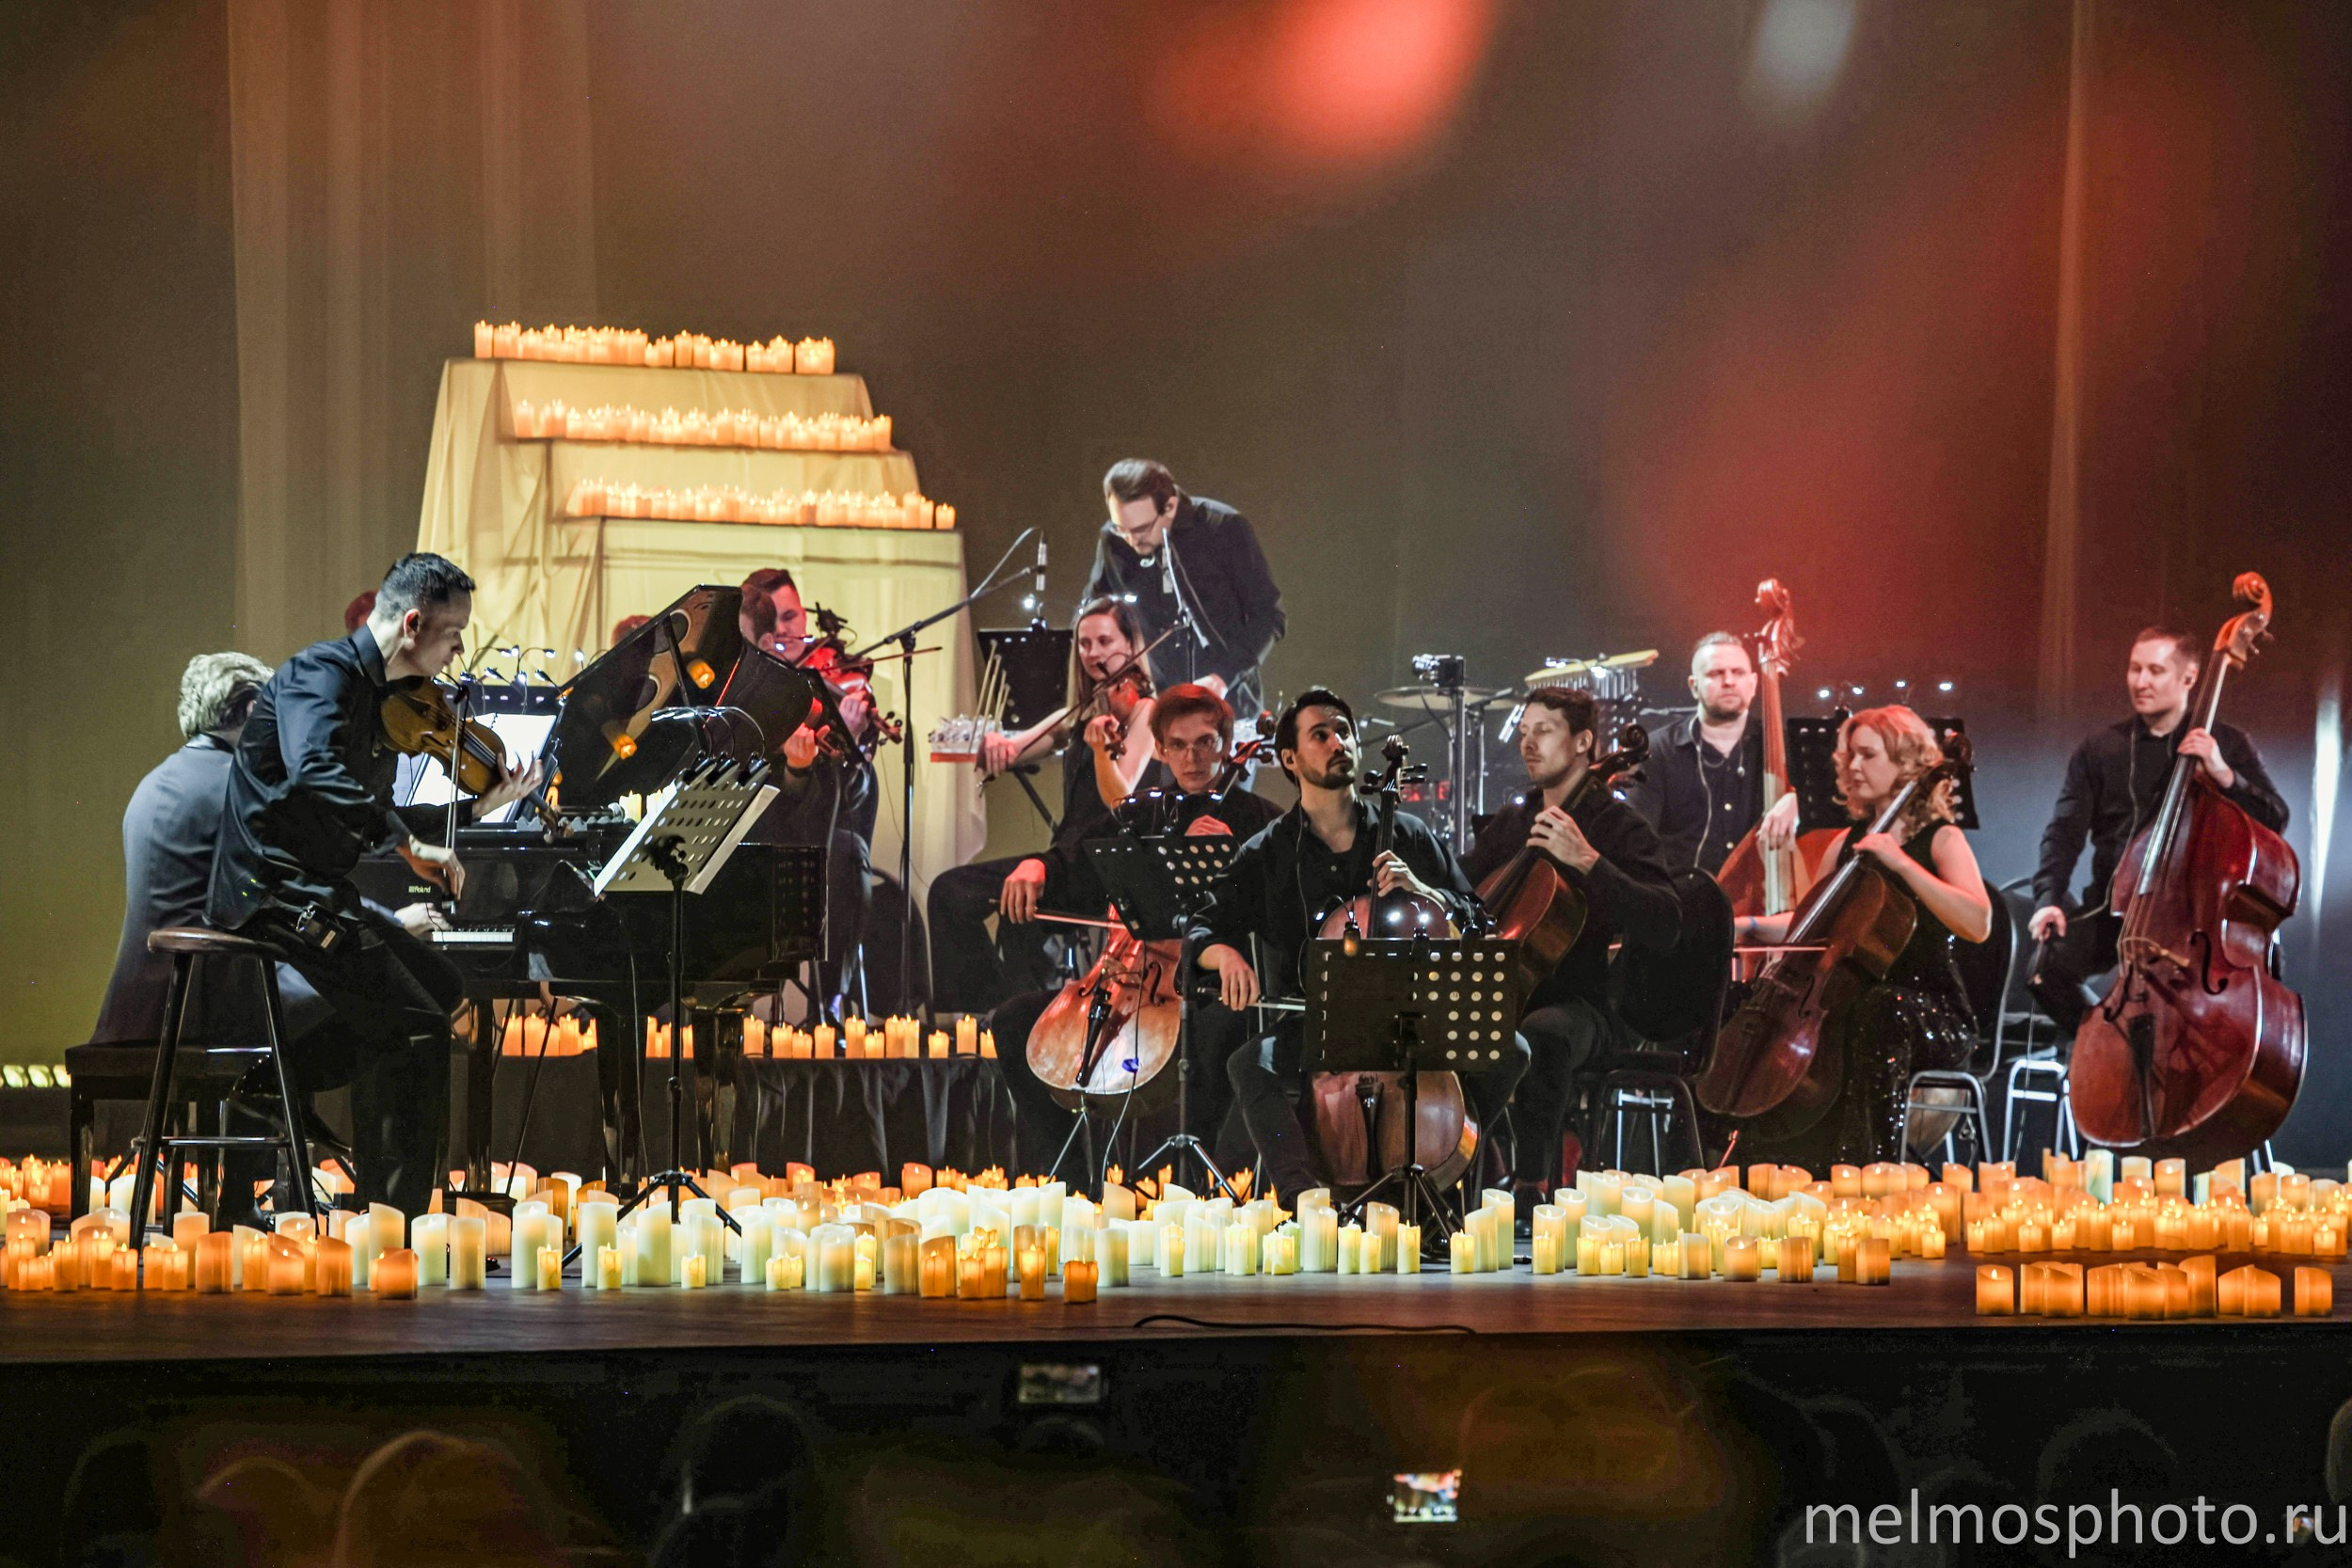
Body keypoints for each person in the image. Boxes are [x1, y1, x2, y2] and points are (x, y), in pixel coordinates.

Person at [207, 553, 542, 1216]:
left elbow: (366, 815)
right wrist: (402, 839)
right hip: (267, 892)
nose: (457, 652)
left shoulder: (385, 702)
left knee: (441, 990)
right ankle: (398, 1219)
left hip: (313, 889)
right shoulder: (318, 676)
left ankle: (271, 1084)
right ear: (413, 624)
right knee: (416, 1026)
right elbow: (314, 772)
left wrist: (475, 808)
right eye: (453, 634)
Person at [1191, 689, 1528, 1197]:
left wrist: (1425, 891)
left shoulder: (1408, 837)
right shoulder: (1269, 852)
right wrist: (1225, 954)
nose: (1337, 742)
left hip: (1413, 1017)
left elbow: (1476, 919)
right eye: (1319, 735)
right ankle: (1303, 1196)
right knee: (1249, 1065)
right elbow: (1203, 927)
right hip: (1320, 1022)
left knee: (1513, 1049)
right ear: (1290, 758)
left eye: (1343, 731)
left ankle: (1449, 1166)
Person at [986, 684, 1280, 1178]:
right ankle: (1073, 1180)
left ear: (1225, 745)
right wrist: (1038, 866)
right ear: (1160, 751)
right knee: (1014, 1021)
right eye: (1179, 745)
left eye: (1205, 742)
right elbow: (1077, 858)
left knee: (1217, 1032)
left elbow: (1278, 908)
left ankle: (1194, 1183)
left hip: (1208, 989)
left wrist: (1236, 861)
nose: (1193, 757)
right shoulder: (1141, 813)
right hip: (1123, 980)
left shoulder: (1258, 822)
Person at [1460, 688, 1681, 1220]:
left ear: (1584, 742)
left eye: (1544, 731)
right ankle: (1454, 1179)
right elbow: (1462, 890)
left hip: (1588, 1008)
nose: (1527, 744)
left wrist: (1588, 862)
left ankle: (1531, 1184)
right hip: (1506, 995)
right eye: (1523, 732)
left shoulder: (1615, 826)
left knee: (1542, 1035)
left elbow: (1665, 921)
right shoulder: (1517, 823)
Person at [1735, 706, 1991, 1164]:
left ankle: (1869, 1174)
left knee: (1879, 1010)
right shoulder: (1846, 843)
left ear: (1906, 762)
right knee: (1754, 1007)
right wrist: (1748, 927)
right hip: (1855, 1004)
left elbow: (1978, 922)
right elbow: (1811, 922)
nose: (1853, 767)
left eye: (1867, 755)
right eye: (1849, 755)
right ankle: (1764, 1165)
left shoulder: (1940, 839)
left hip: (1929, 1012)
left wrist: (1900, 863)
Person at [2028, 626, 2288, 1033]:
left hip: (2194, 918)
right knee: (2047, 969)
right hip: (2118, 910)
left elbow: (2275, 819)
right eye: (2135, 669)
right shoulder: (2100, 749)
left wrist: (2223, 774)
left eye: (2155, 670)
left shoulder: (2228, 743)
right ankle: (2111, 1045)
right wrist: (2049, 896)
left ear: (2188, 678)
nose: (2141, 682)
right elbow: (2064, 832)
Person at [928, 597, 1165, 1014]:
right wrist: (999, 745)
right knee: (952, 892)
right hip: (1068, 861)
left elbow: (1122, 798)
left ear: (1130, 646)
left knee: (1003, 912)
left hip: (1106, 866)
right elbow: (1023, 744)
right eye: (1084, 643)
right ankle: (995, 1011)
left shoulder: (1145, 711)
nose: (1093, 653)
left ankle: (1009, 1013)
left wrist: (1102, 750)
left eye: (1105, 641)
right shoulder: (1082, 713)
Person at [737, 567, 877, 1005]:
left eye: (793, 618)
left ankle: (831, 1001)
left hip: (806, 832)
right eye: (779, 623)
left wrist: (830, 750)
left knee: (846, 853)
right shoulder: (737, 692)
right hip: (747, 833)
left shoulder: (810, 693)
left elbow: (843, 800)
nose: (788, 634)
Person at [1082, 458, 1285, 718]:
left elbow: (1269, 617)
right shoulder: (1112, 540)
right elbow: (1094, 611)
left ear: (1170, 506)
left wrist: (1221, 678)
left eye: (1142, 529)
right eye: (1122, 529)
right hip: (1149, 710)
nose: (1132, 540)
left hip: (1227, 706)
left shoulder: (1223, 527)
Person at [1623, 632, 1800, 876]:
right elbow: (1637, 842)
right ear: (1694, 687)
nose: (1728, 681)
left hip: (1763, 897)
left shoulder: (1786, 746)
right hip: (1683, 899)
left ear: (1753, 683)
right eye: (1716, 673)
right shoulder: (1657, 750)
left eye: (1738, 672)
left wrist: (1799, 800)